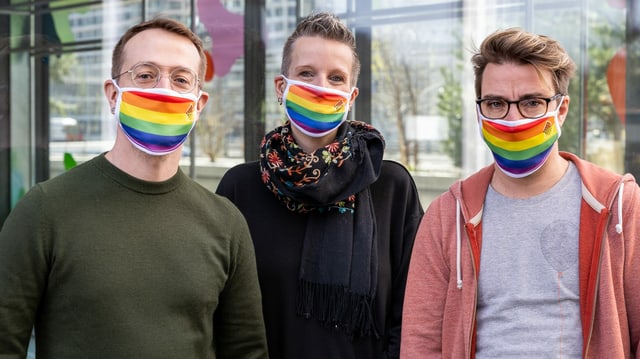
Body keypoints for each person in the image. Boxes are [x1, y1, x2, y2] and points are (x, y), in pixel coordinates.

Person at [0, 18, 268, 359]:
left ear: (198, 105)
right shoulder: (44, 210)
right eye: (145, 74)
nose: (163, 89)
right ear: (113, 94)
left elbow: (246, 351)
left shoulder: (226, 223)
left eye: (180, 79)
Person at [400, 27, 640, 358]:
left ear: (562, 109)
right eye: (496, 103)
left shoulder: (619, 205)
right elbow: (420, 343)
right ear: (480, 112)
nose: (513, 119)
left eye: (531, 102)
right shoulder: (446, 216)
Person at [215, 12, 424, 359]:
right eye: (307, 73)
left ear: (350, 95)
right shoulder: (240, 188)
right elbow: (225, 317)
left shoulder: (390, 186)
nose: (321, 86)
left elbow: (412, 314)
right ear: (281, 87)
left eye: (336, 77)